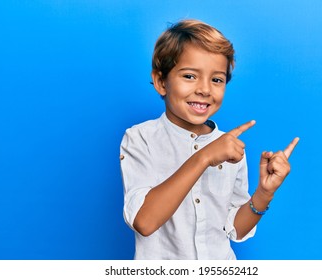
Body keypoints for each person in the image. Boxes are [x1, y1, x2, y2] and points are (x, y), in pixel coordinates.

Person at [120, 19, 299, 260]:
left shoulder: (231, 147)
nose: (205, 89)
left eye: (217, 79)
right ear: (162, 82)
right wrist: (204, 157)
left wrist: (264, 194)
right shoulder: (140, 138)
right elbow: (144, 221)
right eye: (190, 76)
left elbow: (235, 228)